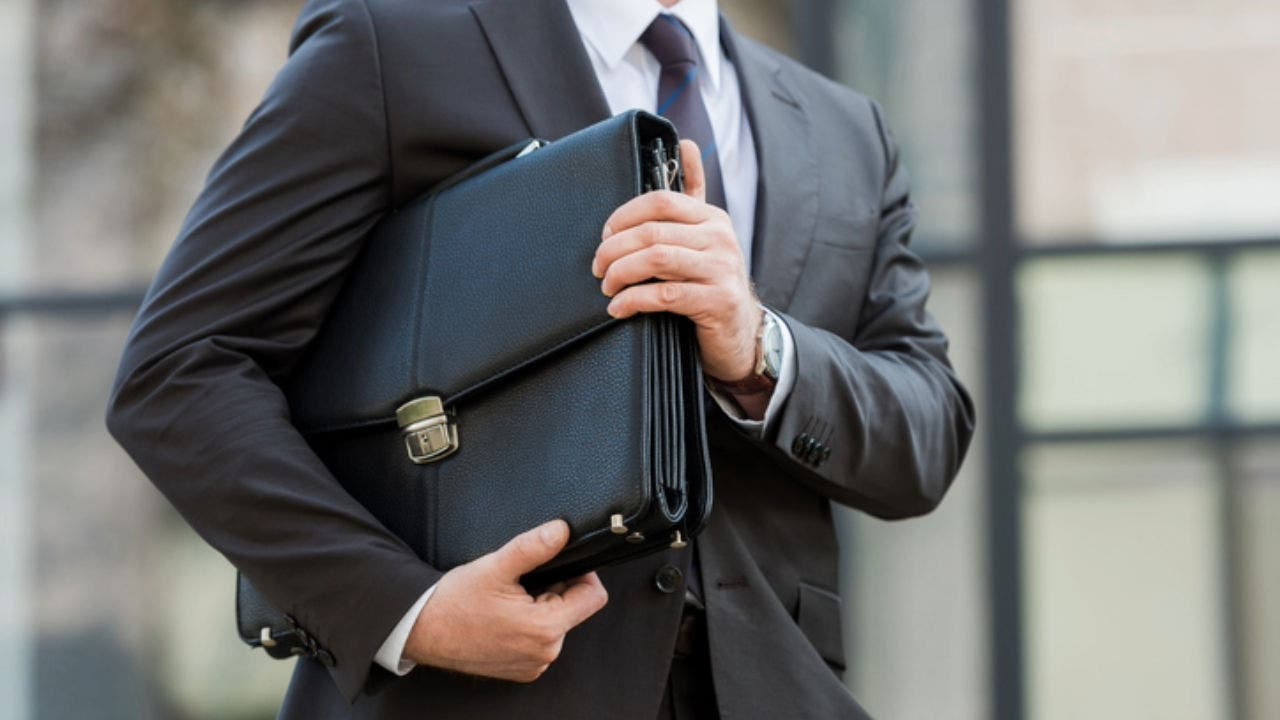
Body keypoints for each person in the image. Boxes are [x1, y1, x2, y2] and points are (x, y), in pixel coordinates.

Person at [106, 0, 975, 717]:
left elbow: (928, 433)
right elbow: (181, 369)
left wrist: (759, 347)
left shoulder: (845, 129)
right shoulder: (394, 44)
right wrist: (406, 609)